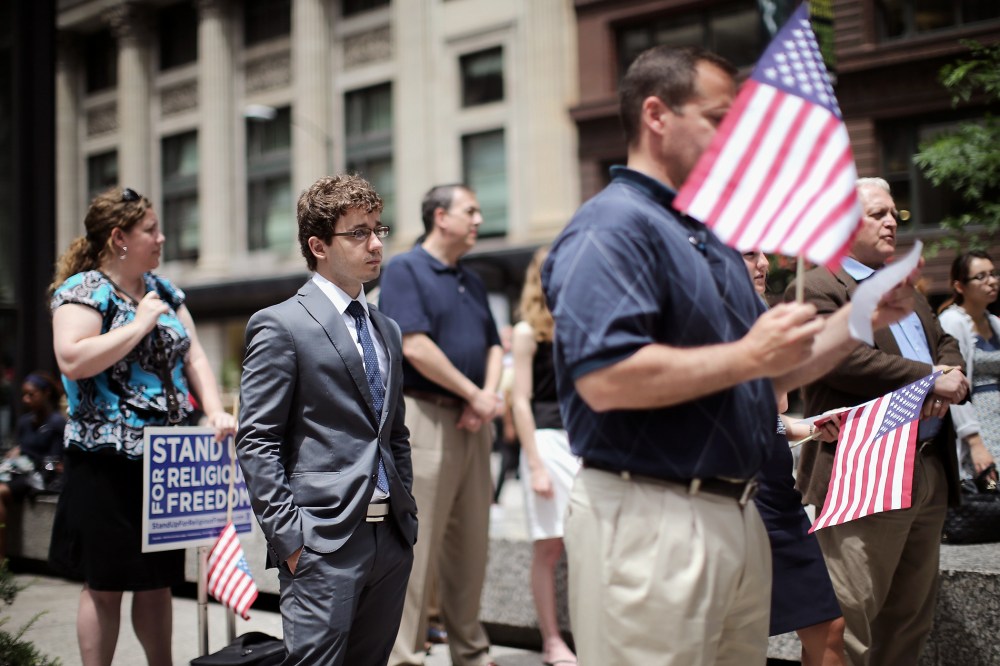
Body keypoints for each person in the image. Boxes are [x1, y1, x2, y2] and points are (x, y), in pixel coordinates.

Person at [541, 46, 917, 665]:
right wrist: (748, 355)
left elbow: (769, 371)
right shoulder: (610, 226)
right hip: (652, 516)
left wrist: (861, 318)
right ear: (656, 115)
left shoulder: (710, 237)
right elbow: (605, 379)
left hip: (738, 512)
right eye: (718, 118)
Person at [48, 186, 236, 666]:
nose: (161, 237)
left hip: (164, 459)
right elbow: (72, 359)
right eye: (151, 229)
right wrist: (138, 325)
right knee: (105, 583)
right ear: (120, 238)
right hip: (104, 460)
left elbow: (195, 356)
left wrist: (214, 409)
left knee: (157, 582)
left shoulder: (164, 291)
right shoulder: (84, 290)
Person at [786, 177, 969, 665]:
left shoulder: (902, 283)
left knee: (910, 620)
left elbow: (945, 343)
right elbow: (843, 361)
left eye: (893, 213)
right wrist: (929, 381)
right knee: (849, 622)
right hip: (863, 470)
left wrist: (949, 374)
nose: (892, 221)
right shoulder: (817, 286)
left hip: (928, 465)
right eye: (878, 214)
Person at [236, 174, 416, 665]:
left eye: (378, 229)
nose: (375, 244)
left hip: (390, 539)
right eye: (358, 233)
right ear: (318, 246)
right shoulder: (281, 324)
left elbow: (394, 433)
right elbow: (256, 441)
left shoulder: (387, 328)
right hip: (321, 543)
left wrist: (406, 517)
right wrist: (291, 541)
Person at [380, 183, 503, 666]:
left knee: (472, 546)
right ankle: (404, 657)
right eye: (470, 210)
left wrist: (484, 398)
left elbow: (494, 345)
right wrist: (474, 394)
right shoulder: (405, 269)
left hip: (474, 422)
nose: (478, 219)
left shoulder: (472, 279)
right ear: (440, 216)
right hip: (427, 419)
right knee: (418, 545)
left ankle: (471, 653)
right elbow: (413, 344)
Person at [740, 251, 846, 666]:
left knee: (828, 625)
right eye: (750, 254)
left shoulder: (760, 314)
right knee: (735, 640)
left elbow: (772, 415)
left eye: (762, 252)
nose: (764, 263)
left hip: (779, 494)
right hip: (739, 493)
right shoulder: (712, 323)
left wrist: (808, 426)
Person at [509, 247, 579, 666]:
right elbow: (520, 401)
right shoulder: (526, 332)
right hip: (547, 441)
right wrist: (534, 464)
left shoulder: (580, 321)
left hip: (584, 442)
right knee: (549, 546)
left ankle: (590, 635)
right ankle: (552, 640)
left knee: (589, 544)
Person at [937, 251, 1000, 482]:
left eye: (993, 274)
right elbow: (953, 386)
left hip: (996, 418)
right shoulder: (952, 321)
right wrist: (974, 442)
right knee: (987, 489)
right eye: (981, 276)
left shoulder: (993, 322)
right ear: (959, 286)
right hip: (976, 425)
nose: (991, 281)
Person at [0, 371, 66, 561]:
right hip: (19, 471)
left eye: (31, 394)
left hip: (40, 477)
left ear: (46, 393)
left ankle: (1, 559)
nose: (26, 399)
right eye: (24, 394)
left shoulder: (56, 423)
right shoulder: (24, 422)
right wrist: (16, 453)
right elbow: (21, 447)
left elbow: (54, 462)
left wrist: (34, 461)